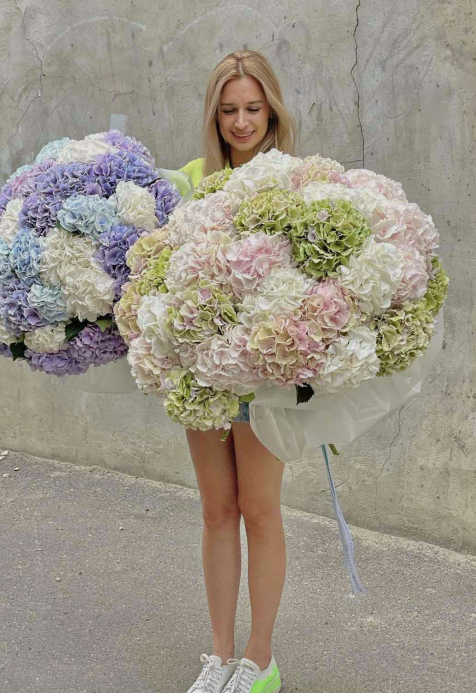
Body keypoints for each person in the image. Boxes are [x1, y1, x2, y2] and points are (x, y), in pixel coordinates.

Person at [177, 49, 297, 693]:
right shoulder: (193, 180)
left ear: (272, 111)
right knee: (217, 510)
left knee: (260, 509)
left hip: (265, 377)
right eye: (229, 110)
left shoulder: (296, 180)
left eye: (253, 109)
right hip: (202, 377)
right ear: (214, 115)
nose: (242, 122)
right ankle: (219, 655)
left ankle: (260, 658)